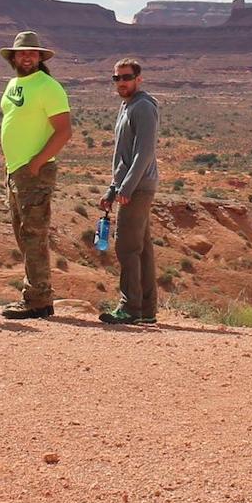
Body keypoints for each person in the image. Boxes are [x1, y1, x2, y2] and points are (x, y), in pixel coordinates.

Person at [0, 31, 71, 320]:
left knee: (34, 235)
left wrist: (37, 163)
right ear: (13, 57)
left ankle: (38, 299)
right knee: (23, 234)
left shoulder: (48, 86)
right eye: (21, 52)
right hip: (15, 170)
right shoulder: (13, 84)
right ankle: (37, 296)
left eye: (32, 52)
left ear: (40, 57)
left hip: (33, 172)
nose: (26, 57)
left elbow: (64, 130)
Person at [98, 58, 160, 326]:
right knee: (141, 249)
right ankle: (146, 309)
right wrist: (113, 188)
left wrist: (126, 188)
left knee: (126, 248)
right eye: (117, 78)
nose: (121, 82)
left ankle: (129, 307)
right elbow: (123, 155)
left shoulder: (143, 107)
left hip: (138, 187)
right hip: (130, 186)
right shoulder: (128, 106)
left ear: (138, 79)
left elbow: (144, 152)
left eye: (126, 77)